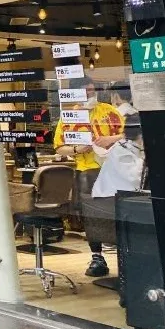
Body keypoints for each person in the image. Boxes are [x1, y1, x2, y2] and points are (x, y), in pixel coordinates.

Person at [53, 78, 124, 277]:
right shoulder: (69, 117)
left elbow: (129, 134)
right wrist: (77, 149)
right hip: (87, 171)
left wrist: (110, 138)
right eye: (86, 92)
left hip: (114, 169)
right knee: (92, 215)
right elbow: (59, 147)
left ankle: (124, 257)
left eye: (92, 91)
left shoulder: (109, 112)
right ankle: (97, 256)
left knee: (118, 214)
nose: (91, 95)